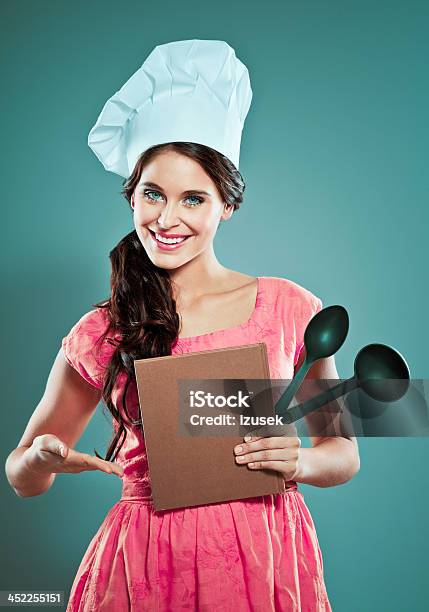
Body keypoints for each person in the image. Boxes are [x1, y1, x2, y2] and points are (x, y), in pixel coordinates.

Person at [5, 40, 360, 611]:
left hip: (266, 556)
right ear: (132, 197)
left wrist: (303, 461)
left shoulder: (292, 308)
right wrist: (41, 457)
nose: (167, 219)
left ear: (227, 206)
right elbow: (21, 476)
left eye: (193, 199)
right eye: (152, 195)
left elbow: (341, 451)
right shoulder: (104, 328)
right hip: (145, 560)